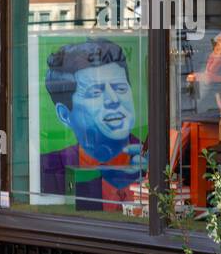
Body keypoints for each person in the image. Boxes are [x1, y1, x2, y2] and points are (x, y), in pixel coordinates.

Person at [41, 40, 145, 211]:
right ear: (65, 114)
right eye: (96, 92)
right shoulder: (48, 168)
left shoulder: (158, 163)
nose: (113, 100)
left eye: (120, 88)